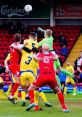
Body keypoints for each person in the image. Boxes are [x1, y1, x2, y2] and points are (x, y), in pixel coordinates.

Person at [11, 32, 51, 109]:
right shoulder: (36, 44)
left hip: (23, 68)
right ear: (35, 37)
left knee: (23, 87)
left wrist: (13, 46)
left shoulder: (26, 41)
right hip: (32, 68)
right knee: (36, 87)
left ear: (29, 36)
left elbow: (21, 47)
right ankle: (39, 103)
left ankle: (23, 100)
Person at [26, 44, 69, 112]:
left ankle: (32, 102)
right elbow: (57, 57)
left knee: (31, 88)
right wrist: (55, 58)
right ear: (49, 49)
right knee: (58, 91)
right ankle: (64, 108)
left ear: (42, 49)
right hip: (51, 77)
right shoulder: (52, 54)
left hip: (42, 76)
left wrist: (37, 59)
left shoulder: (39, 55)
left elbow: (33, 56)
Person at [4, 33, 22, 104]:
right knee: (18, 82)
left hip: (13, 65)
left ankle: (13, 95)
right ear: (20, 39)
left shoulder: (12, 45)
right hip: (15, 65)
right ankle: (11, 96)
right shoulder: (18, 46)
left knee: (18, 82)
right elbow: (21, 50)